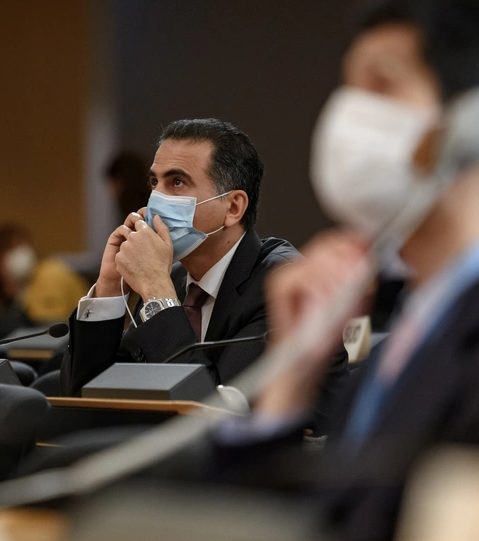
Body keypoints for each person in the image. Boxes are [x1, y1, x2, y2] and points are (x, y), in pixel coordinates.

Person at [213, 0, 479, 541]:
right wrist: (291, 383)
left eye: (381, 87)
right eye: (349, 88)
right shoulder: (418, 324)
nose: (346, 116)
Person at [61, 118, 337, 399]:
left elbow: (214, 412)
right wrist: (109, 287)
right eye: (155, 182)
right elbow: (84, 394)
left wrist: (158, 292)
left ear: (233, 207)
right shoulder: (173, 279)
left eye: (177, 182)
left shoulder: (280, 282)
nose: (155, 198)